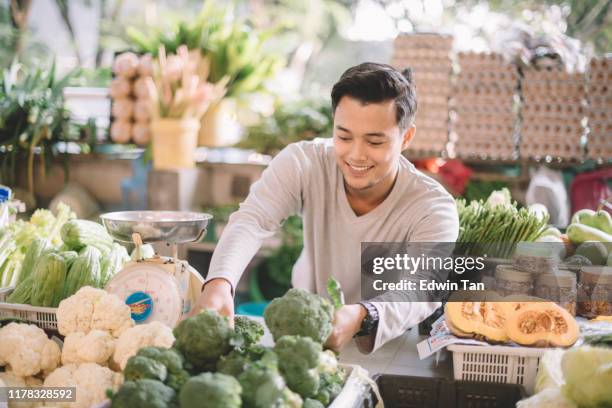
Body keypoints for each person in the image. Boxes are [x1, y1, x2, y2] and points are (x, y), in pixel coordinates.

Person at [192, 62, 459, 353]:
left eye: (374, 141)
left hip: (388, 348)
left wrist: (361, 316)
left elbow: (422, 287)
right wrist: (220, 281)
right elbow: (254, 219)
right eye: (344, 136)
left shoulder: (433, 208)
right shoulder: (303, 162)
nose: (356, 155)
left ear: (405, 138)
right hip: (305, 341)